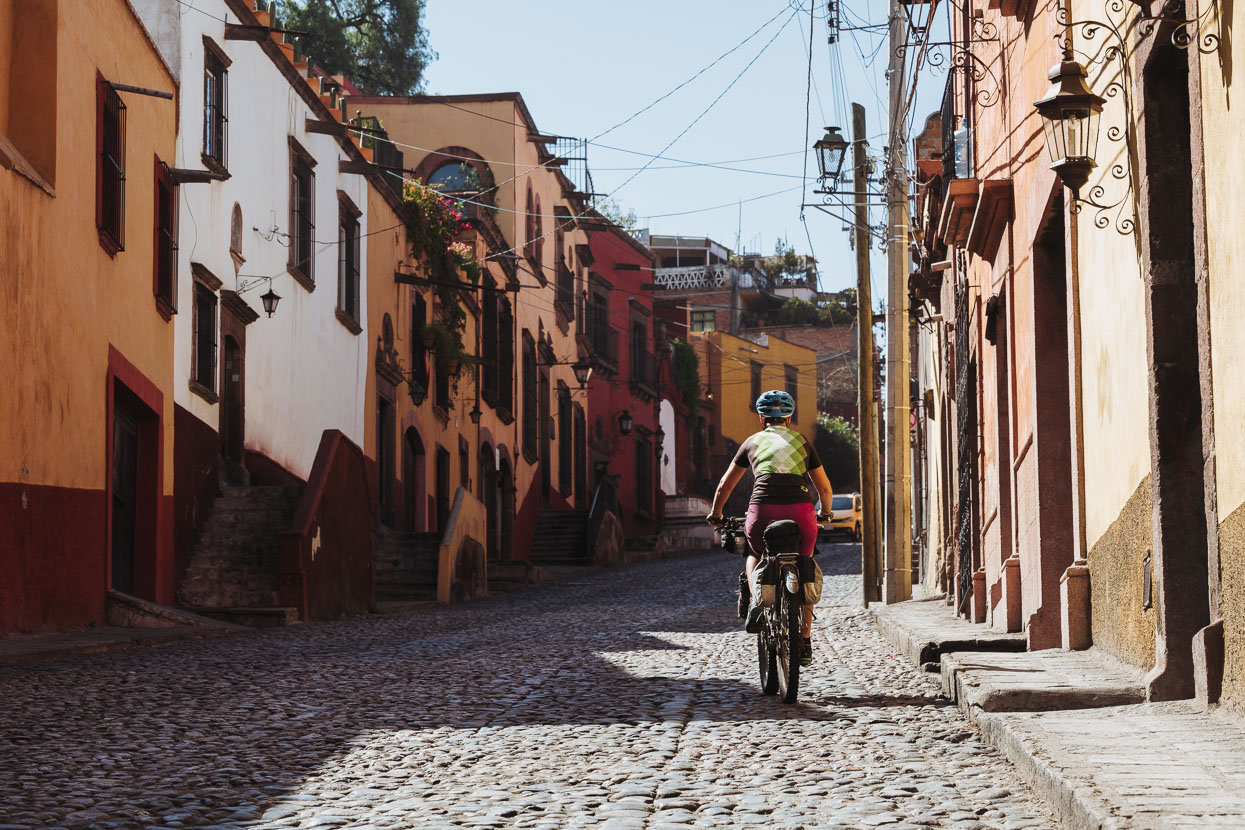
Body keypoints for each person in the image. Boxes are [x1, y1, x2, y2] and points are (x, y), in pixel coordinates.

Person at [706, 390, 833, 666]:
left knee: (753, 552)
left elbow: (725, 485)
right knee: (806, 566)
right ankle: (806, 639)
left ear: (762, 419)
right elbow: (823, 487)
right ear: (789, 419)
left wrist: (716, 514)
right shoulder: (803, 442)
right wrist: (824, 513)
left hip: (762, 510)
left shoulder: (751, 443)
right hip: (801, 513)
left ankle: (755, 603)